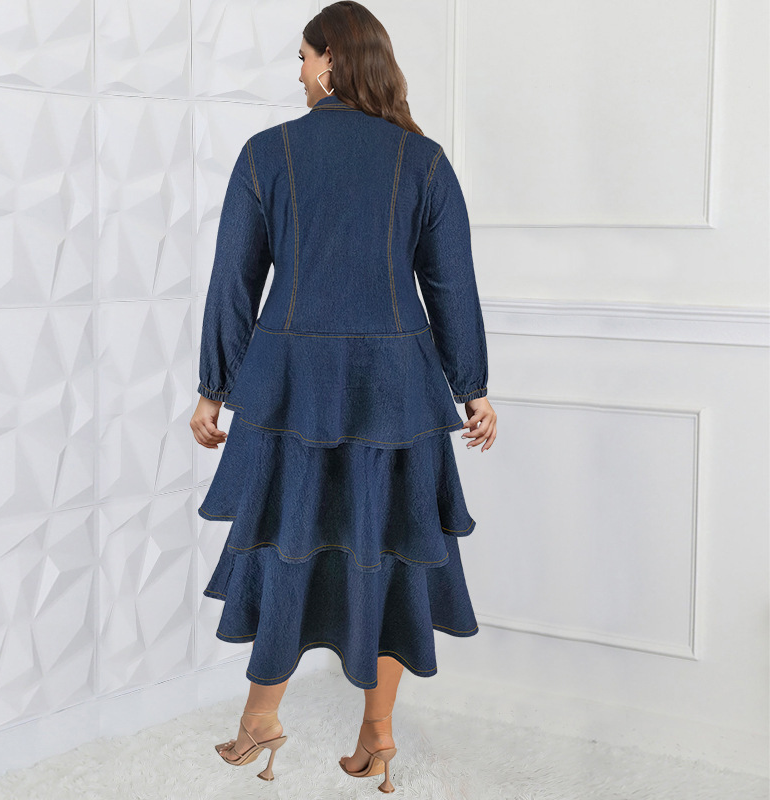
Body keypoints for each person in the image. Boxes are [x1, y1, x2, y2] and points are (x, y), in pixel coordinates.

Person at [189, 1, 496, 792]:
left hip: (291, 389)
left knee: (287, 544)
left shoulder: (267, 154)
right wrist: (472, 388)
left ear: (331, 60)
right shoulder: (422, 161)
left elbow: (234, 282)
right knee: (392, 550)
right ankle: (379, 734)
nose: (297, 72)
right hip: (397, 391)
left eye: (302, 57)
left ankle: (261, 720)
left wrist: (214, 389)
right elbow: (452, 285)